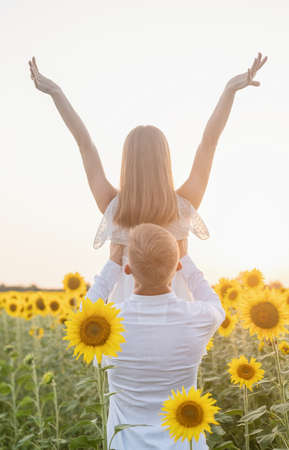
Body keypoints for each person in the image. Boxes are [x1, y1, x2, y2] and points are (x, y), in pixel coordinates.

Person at [28, 53, 268, 302]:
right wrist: (229, 91)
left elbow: (85, 145)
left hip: (124, 322)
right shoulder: (184, 206)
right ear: (165, 162)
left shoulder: (115, 207)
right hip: (177, 317)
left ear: (127, 163)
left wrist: (56, 92)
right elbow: (208, 144)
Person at [84, 223, 226, 450]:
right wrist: (187, 259)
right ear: (177, 266)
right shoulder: (196, 318)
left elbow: (86, 310)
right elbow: (216, 306)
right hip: (185, 444)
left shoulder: (109, 323)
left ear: (127, 269)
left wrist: (113, 261)